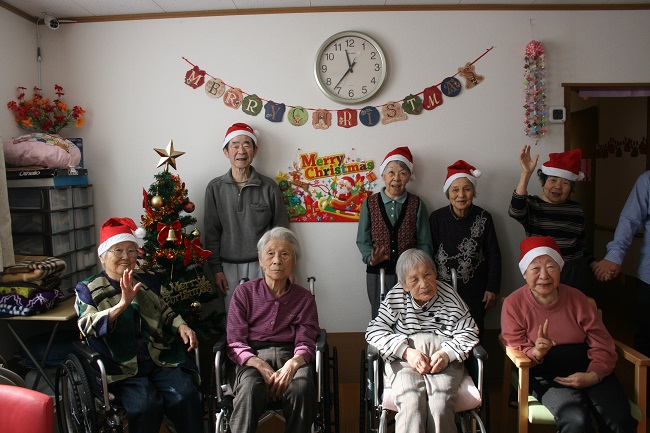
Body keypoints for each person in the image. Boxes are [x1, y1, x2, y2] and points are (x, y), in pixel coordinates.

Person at [74, 217, 203, 433]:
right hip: (121, 368)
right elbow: (87, 325)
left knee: (186, 395)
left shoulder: (146, 280)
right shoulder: (88, 289)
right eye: (118, 250)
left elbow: (164, 310)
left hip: (158, 358)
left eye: (131, 250)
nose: (126, 257)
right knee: (145, 406)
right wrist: (122, 305)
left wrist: (182, 325)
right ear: (103, 257)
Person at [501, 236, 636, 433]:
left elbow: (602, 341)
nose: (544, 275)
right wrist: (536, 352)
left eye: (551, 267)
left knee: (618, 419)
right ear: (524, 273)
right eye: (535, 268)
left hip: (588, 365)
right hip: (544, 373)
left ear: (560, 269)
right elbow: (515, 345)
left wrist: (593, 374)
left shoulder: (577, 298)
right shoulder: (514, 304)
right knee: (576, 421)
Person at [365, 248, 479, 433]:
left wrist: (447, 354)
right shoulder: (396, 297)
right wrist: (406, 352)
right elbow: (375, 330)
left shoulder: (449, 295)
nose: (424, 284)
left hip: (444, 361)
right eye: (414, 279)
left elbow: (469, 329)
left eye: (428, 275)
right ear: (404, 285)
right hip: (404, 361)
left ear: (435, 273)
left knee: (441, 404)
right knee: (411, 403)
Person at [227, 227, 320, 433]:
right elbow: (235, 341)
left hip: (291, 354)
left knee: (301, 387)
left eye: (284, 254)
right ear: (260, 259)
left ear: (293, 261)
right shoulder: (243, 293)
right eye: (270, 253)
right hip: (252, 357)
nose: (277, 260)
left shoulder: (304, 298)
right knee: (250, 387)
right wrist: (259, 365)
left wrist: (292, 365)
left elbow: (306, 340)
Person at [204, 122, 290, 310]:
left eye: (246, 144)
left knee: (264, 314)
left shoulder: (268, 187)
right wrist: (216, 270)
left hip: (264, 265)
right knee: (234, 316)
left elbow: (281, 232)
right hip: (227, 267)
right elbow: (211, 233)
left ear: (255, 150)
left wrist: (283, 267)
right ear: (226, 152)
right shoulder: (215, 188)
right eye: (235, 145)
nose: (241, 151)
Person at [356, 146, 433, 318]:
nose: (396, 178)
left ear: (409, 177)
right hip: (378, 272)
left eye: (402, 173)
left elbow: (425, 242)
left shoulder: (417, 204)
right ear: (383, 175)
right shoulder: (369, 203)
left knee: (410, 316)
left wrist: (421, 269)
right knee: (379, 314)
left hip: (410, 273)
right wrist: (370, 258)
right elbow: (362, 239)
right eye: (391, 172)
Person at [429, 159, 501, 339]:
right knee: (444, 337)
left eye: (467, 189)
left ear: (473, 192)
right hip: (441, 291)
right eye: (455, 190)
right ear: (448, 193)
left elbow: (493, 254)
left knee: (473, 336)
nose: (461, 195)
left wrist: (492, 287)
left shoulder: (484, 217)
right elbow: (428, 253)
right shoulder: (436, 218)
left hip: (476, 291)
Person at [509, 146, 595, 295]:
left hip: (574, 271)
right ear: (544, 182)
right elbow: (515, 211)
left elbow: (580, 245)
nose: (558, 186)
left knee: (575, 308)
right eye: (553, 180)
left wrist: (593, 263)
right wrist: (526, 174)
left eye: (565, 183)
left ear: (571, 188)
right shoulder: (533, 204)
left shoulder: (576, 209)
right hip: (543, 272)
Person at [594, 170, 650, 359]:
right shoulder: (647, 180)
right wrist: (615, 255)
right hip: (649, 277)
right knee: (647, 338)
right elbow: (630, 220)